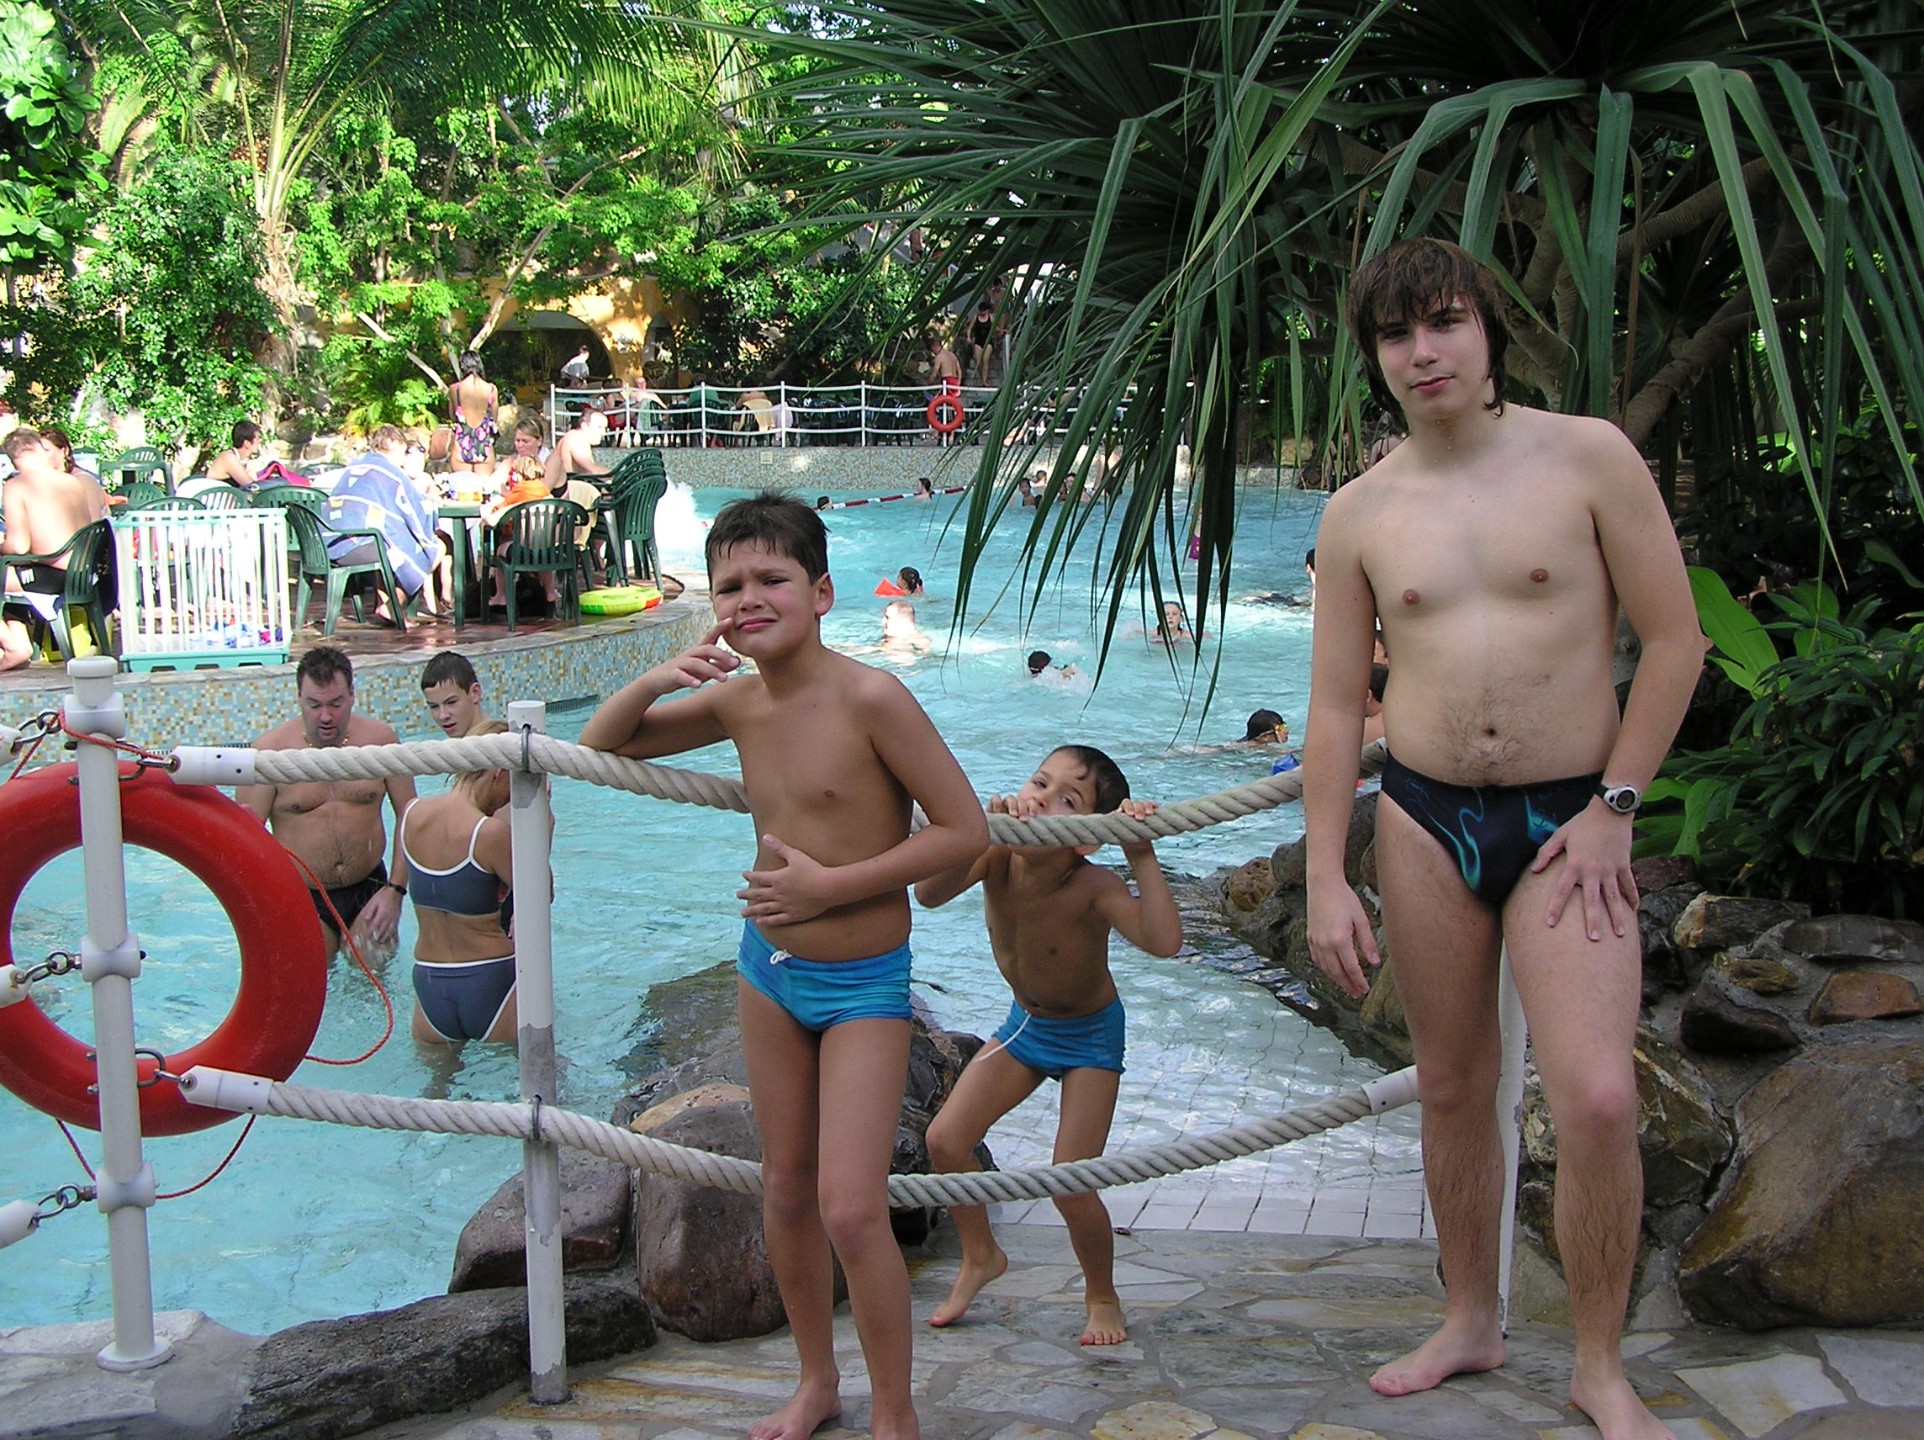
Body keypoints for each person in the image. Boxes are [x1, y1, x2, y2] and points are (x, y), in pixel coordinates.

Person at [1302, 237, 1703, 1440]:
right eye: (1394, 334)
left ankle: (1598, 1363)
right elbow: (1333, 708)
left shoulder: (1587, 456)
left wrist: (1615, 808)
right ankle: (1469, 1318)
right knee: (1451, 1085)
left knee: (1595, 1098)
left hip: (1570, 814)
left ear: (1488, 332)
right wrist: (1323, 876)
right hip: (1423, 815)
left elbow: (1674, 641)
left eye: (1444, 322)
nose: (1421, 352)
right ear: (1374, 357)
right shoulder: (1359, 512)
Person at [579, 491, 987, 1440]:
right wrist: (656, 676)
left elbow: (963, 829)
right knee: (785, 1190)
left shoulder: (871, 698)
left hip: (863, 984)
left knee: (851, 1208)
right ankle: (815, 1383)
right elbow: (601, 745)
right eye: (729, 587)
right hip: (768, 971)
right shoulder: (736, 700)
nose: (749, 599)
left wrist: (829, 889)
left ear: (823, 592)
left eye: (772, 579)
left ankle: (896, 1411)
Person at [916, 745, 1181, 1345]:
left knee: (1071, 1179)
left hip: (1089, 1037)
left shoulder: (1094, 886)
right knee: (944, 1140)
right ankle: (981, 1255)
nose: (1040, 800)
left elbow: (1164, 942)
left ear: (1086, 838)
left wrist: (1141, 853)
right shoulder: (997, 855)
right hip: (1026, 1027)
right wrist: (977, 834)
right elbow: (928, 895)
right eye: (1039, 782)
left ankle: (1102, 1295)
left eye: (1067, 800)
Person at [240, 646, 416, 962]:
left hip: (370, 888)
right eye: (314, 705)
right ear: (299, 698)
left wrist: (396, 891)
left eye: (335, 704)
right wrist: (271, 907)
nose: (325, 716)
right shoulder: (269, 754)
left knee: (371, 982)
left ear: (352, 695)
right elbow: (245, 842)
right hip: (302, 896)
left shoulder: (380, 742)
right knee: (312, 984)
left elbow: (410, 815)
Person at [398, 719, 522, 1044]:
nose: (509, 797)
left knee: (434, 1077)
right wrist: (539, 810)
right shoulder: (489, 833)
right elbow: (541, 892)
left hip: (429, 980)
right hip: (490, 977)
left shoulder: (411, 814)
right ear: (499, 772)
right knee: (535, 1072)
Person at [1, 428, 109, 671]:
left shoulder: (17, 485)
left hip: (51, 575)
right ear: (39, 449)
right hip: (83, 572)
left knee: (5, 573)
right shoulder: (72, 482)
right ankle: (19, 642)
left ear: (13, 459)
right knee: (9, 578)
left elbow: (18, 546)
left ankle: (13, 646)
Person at [325, 426, 447, 618]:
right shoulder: (390, 471)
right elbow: (414, 508)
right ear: (395, 446)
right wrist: (432, 503)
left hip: (331, 543)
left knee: (389, 540)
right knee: (435, 548)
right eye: (403, 452)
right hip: (359, 545)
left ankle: (387, 606)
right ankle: (393, 605)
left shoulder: (356, 465)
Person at [447, 351, 500, 474]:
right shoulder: (492, 389)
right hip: (484, 445)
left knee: (462, 485)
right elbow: (494, 419)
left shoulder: (455, 389)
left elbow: (453, 417)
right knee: (484, 485)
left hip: (461, 444)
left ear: (462, 366)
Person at [421, 650, 491, 738]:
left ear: (475, 692)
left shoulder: (496, 742)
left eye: (451, 702)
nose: (442, 716)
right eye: (434, 706)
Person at [203, 420, 265, 489]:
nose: (260, 441)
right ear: (247, 443)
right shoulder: (228, 458)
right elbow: (251, 486)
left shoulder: (241, 460)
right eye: (258, 439)